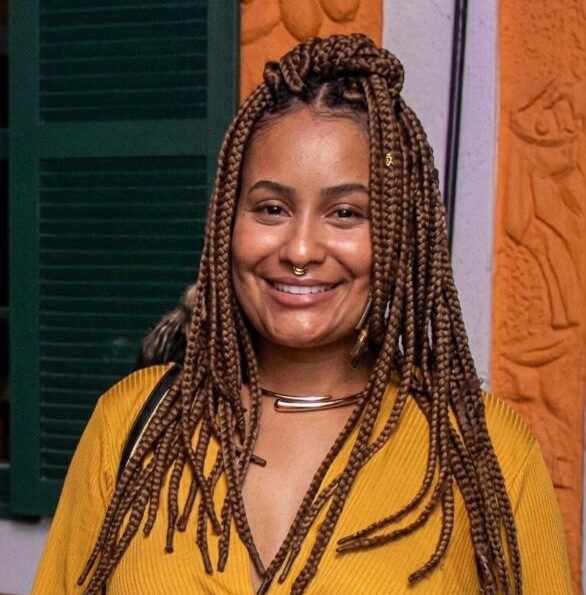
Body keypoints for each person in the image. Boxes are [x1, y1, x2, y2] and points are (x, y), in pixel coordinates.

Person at [32, 34, 571, 595]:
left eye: (346, 213)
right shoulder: (131, 425)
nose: (300, 249)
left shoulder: (488, 453)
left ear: (397, 235)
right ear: (227, 222)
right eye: (271, 208)